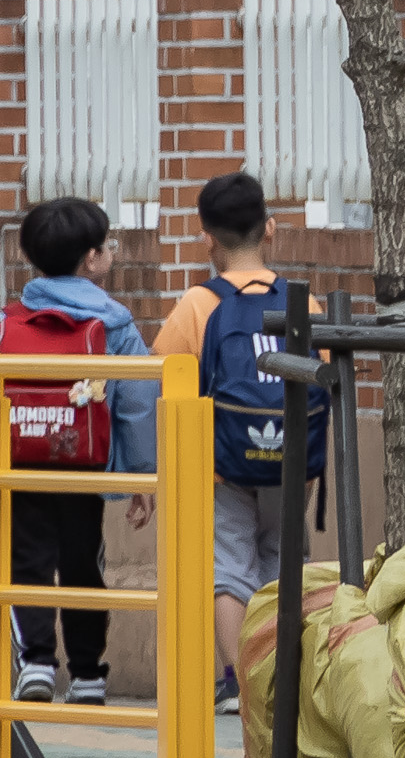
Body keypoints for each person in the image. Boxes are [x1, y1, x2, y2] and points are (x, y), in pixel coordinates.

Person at [150, 173, 316, 715]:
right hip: (295, 462)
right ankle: (280, 675)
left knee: (229, 568)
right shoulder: (301, 304)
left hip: (224, 465)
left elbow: (160, 370)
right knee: (281, 560)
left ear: (206, 238)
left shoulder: (198, 305)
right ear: (270, 229)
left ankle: (237, 681)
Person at [6, 200, 156, 707]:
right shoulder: (116, 325)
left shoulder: (10, 322)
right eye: (108, 245)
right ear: (91, 260)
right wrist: (140, 478)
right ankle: (89, 673)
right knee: (83, 563)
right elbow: (136, 405)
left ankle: (37, 664)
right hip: (84, 466)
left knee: (26, 560)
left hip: (21, 464)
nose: (112, 252)